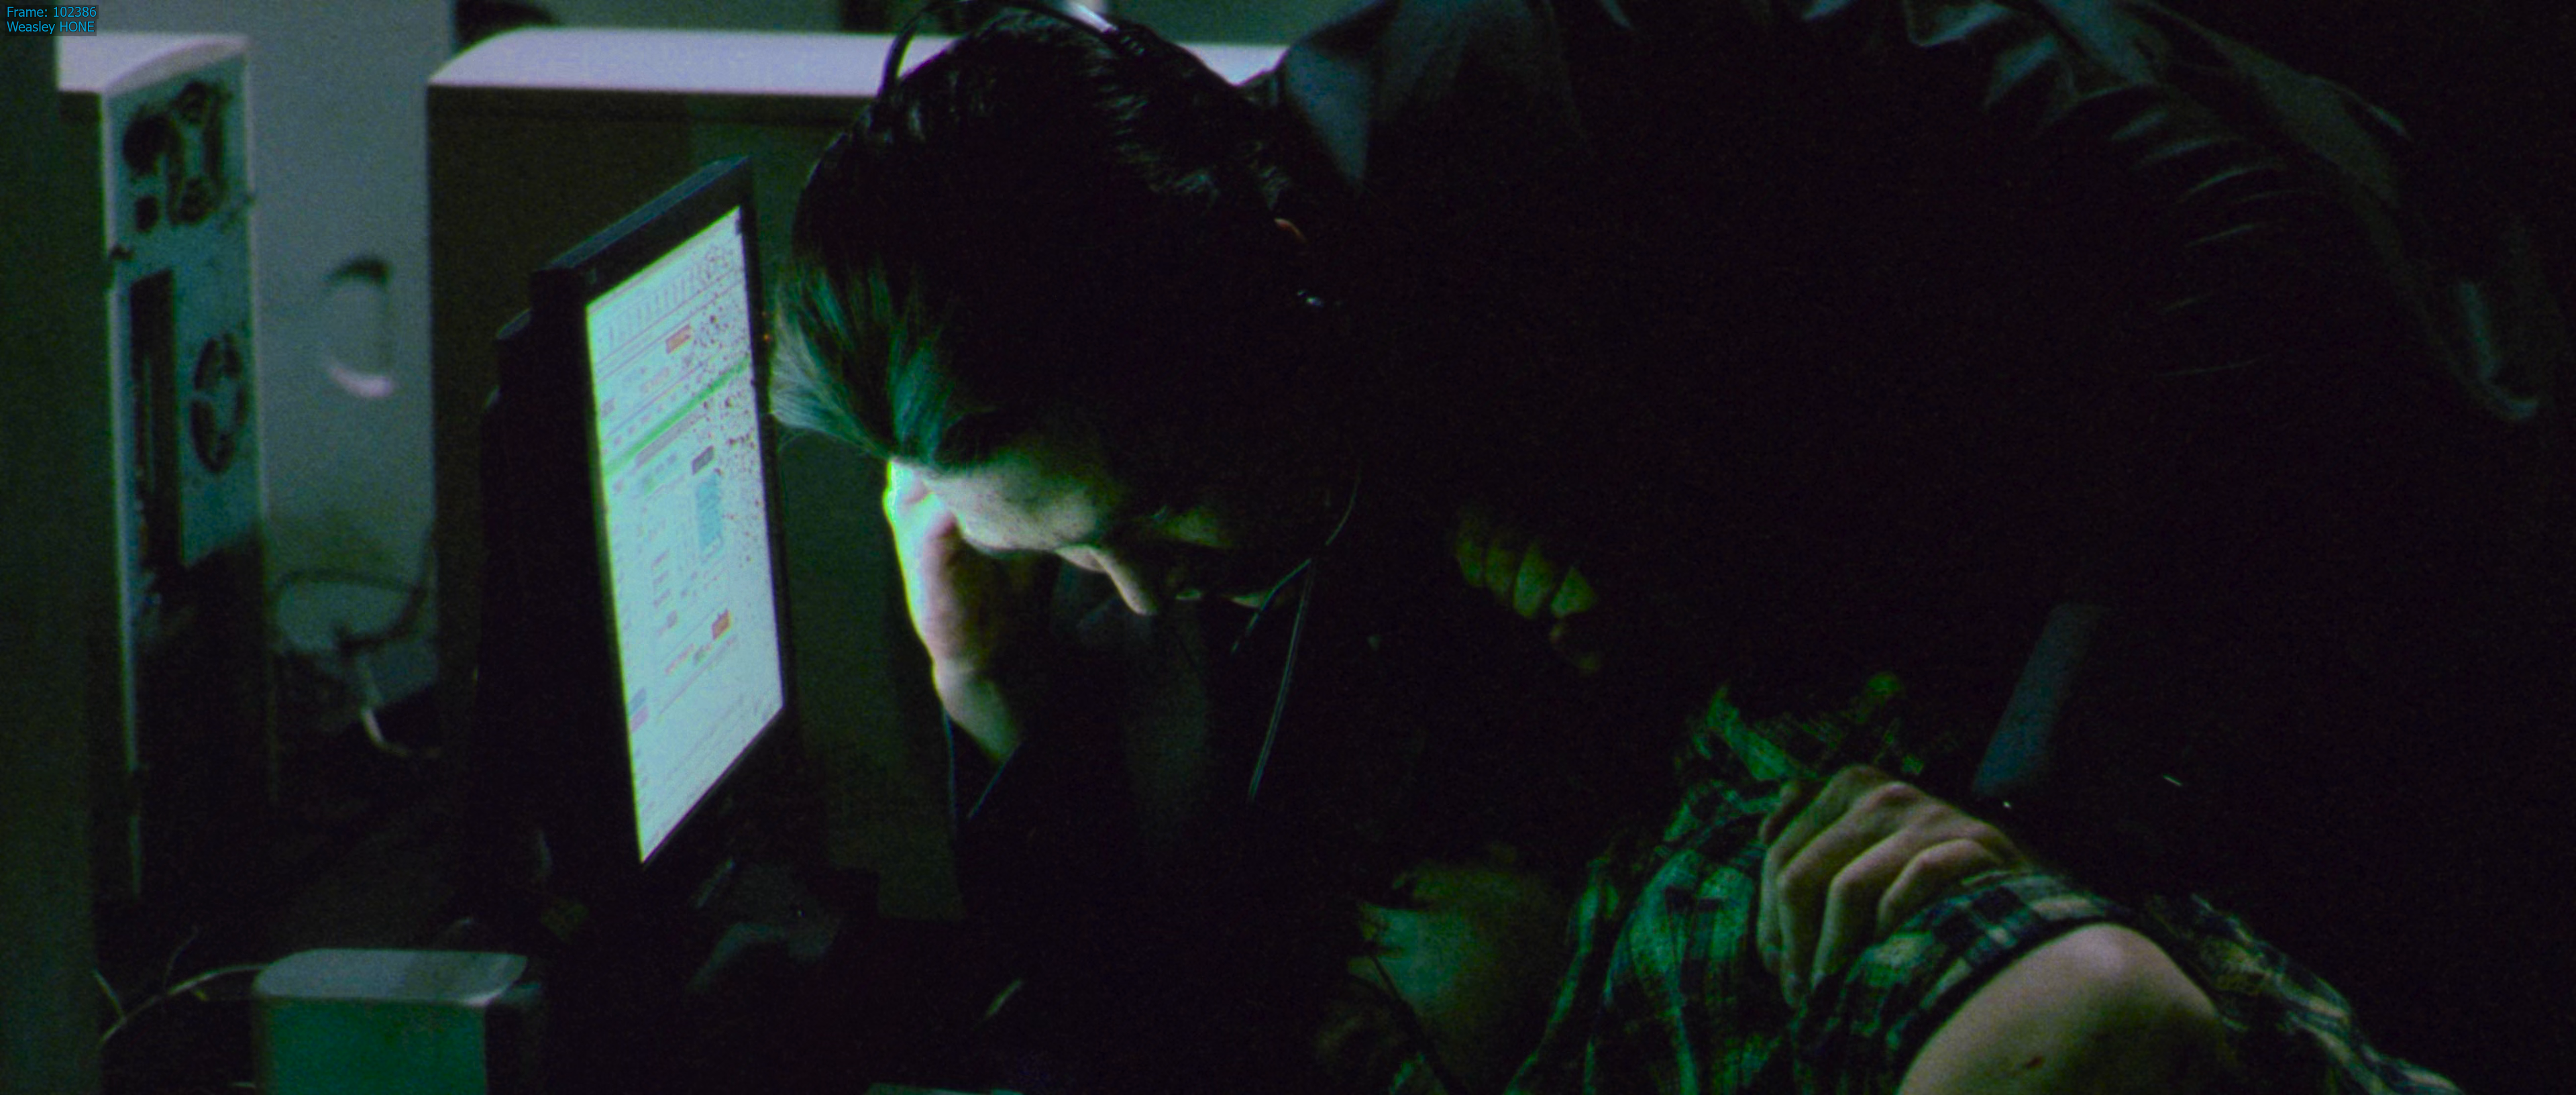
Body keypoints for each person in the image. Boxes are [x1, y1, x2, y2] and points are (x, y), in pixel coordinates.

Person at [771, 0, 2573, 1088]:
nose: (1150, 591)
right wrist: (991, 687)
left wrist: (2051, 795)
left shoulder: (1615, 81)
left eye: (1151, 523)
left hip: (2341, 456)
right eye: (1075, 557)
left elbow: (2246, 243)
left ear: (1287, 297)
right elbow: (1166, 1016)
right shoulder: (1173, 449)